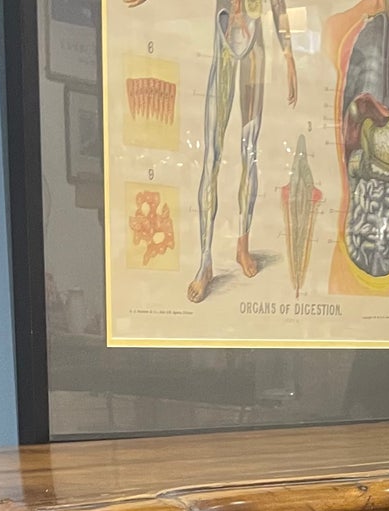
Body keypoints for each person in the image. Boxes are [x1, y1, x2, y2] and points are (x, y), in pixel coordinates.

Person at [127, 0, 298, 302]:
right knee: (212, 158)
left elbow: (279, 4)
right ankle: (205, 262)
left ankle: (242, 245)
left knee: (250, 151)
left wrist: (289, 55)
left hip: (254, 51)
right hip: (225, 44)